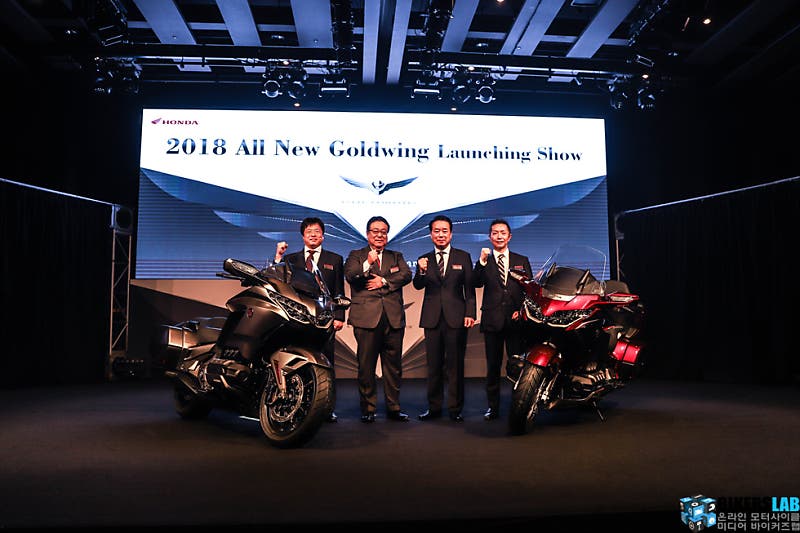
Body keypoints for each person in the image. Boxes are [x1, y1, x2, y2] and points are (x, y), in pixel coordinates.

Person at [274, 217, 345, 423]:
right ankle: (297, 406)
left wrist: (339, 316)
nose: (313, 235)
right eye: (309, 231)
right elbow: (277, 280)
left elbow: (339, 290)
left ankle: (327, 408)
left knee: (326, 363)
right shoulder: (291, 259)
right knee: (297, 361)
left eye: (317, 231)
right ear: (303, 236)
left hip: (324, 320)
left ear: (323, 235)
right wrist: (279, 257)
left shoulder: (335, 259)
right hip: (297, 319)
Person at [344, 216, 412, 423]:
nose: (379, 235)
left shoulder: (396, 256)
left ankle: (394, 408)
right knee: (366, 366)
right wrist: (368, 263)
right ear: (367, 234)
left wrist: (383, 281)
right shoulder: (356, 255)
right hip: (366, 318)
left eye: (383, 232)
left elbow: (406, 274)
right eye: (375, 231)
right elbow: (351, 276)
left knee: (393, 367)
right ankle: (368, 408)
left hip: (393, 318)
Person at [413, 215, 476, 422]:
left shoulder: (463, 256)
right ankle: (434, 408)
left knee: (455, 366)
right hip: (432, 319)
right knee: (434, 366)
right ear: (431, 234)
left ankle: (455, 409)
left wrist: (470, 313)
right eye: (436, 231)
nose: (441, 235)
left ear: (451, 233)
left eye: (444, 231)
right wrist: (421, 271)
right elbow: (418, 285)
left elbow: (470, 289)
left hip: (457, 318)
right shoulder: (424, 259)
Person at [473, 219, 532, 421]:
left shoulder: (521, 260)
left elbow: (528, 289)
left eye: (503, 233)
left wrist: (521, 310)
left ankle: (519, 405)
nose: (499, 236)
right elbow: (475, 282)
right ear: (490, 237)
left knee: (518, 367)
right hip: (492, 320)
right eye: (495, 233)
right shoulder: (485, 260)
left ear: (509, 236)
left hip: (516, 321)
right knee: (493, 367)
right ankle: (493, 407)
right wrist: (481, 261)